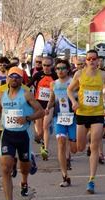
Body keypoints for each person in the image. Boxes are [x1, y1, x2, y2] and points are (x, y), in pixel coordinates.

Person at [0, 67, 44, 200]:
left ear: (22, 80)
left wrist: (27, 118)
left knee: (24, 166)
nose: (14, 78)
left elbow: (41, 111)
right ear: (7, 79)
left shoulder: (27, 95)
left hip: (23, 136)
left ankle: (25, 179)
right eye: (11, 76)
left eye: (17, 76)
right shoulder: (1, 96)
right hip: (8, 134)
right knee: (5, 168)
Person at [67, 49, 105, 194]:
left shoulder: (103, 74)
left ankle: (91, 180)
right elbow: (69, 90)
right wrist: (73, 102)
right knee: (80, 147)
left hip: (97, 113)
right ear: (86, 60)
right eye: (89, 59)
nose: (91, 61)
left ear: (98, 61)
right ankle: (88, 141)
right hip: (82, 113)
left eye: (94, 59)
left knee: (95, 145)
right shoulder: (79, 74)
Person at [46, 59, 77, 187]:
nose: (60, 70)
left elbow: (80, 96)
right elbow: (52, 99)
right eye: (57, 68)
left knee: (74, 148)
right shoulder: (53, 84)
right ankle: (64, 176)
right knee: (60, 143)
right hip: (60, 117)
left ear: (68, 69)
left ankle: (69, 156)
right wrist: (48, 107)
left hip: (73, 118)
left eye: (63, 68)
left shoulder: (74, 82)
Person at [27, 56, 57, 160]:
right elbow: (28, 85)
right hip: (38, 104)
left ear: (52, 65)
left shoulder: (55, 75)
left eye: (48, 65)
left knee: (45, 126)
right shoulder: (38, 75)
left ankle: (45, 149)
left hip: (50, 104)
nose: (46, 67)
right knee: (39, 132)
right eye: (44, 65)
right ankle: (43, 139)